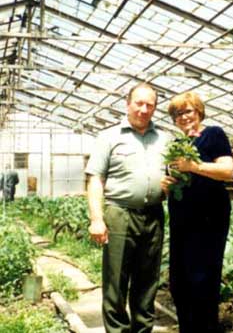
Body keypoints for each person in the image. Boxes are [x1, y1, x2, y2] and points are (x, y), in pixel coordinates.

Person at [85, 82, 171, 333]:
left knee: (148, 282)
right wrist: (96, 219)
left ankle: (143, 330)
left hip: (154, 216)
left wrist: (171, 183)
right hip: (119, 213)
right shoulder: (109, 137)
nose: (144, 110)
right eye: (139, 103)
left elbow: (174, 175)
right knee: (116, 282)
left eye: (150, 105)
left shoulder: (164, 139)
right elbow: (95, 179)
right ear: (127, 104)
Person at [161, 91, 233, 333]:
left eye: (188, 111)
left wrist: (194, 166)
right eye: (177, 113)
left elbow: (227, 171)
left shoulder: (213, 134)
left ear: (199, 111)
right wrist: (167, 184)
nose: (183, 117)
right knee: (179, 282)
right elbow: (176, 178)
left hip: (209, 218)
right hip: (182, 219)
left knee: (202, 281)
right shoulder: (176, 145)